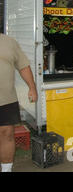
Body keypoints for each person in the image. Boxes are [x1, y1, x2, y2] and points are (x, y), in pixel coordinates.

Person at [0, 33, 37, 172]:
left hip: (6, 98)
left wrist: (32, 87)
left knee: (6, 134)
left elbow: (23, 66)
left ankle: (6, 169)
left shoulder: (9, 42)